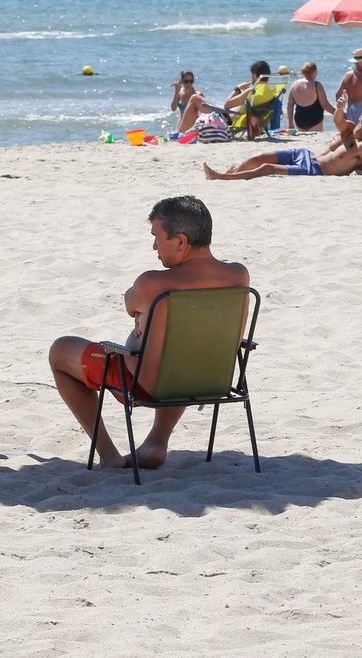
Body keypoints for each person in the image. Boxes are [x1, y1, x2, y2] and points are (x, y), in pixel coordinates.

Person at [47, 196, 250, 470]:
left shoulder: (153, 283)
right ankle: (156, 442)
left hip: (148, 386)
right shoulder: (239, 276)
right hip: (210, 380)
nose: (154, 246)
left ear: (181, 242)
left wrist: (142, 318)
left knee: (60, 351)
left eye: (157, 237)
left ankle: (109, 455)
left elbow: (130, 304)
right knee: (183, 348)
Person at [204, 94, 362, 179]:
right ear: (361, 116)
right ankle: (233, 172)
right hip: (307, 155)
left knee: (267, 168)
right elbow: (339, 121)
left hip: (315, 170)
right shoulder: (350, 129)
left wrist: (361, 171)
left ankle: (223, 178)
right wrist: (340, 107)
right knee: (259, 157)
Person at [176, 60, 271, 135]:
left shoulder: (251, 91)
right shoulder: (271, 92)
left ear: (254, 75)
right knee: (197, 100)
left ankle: (179, 133)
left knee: (194, 98)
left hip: (225, 118)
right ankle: (183, 131)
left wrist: (237, 89)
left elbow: (227, 105)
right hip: (240, 118)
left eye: (251, 76)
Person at [286, 61, 332, 132]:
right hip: (314, 119)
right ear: (314, 72)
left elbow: (290, 105)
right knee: (315, 137)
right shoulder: (317, 85)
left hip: (299, 120)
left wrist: (290, 123)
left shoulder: (294, 84)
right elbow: (325, 105)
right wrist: (339, 113)